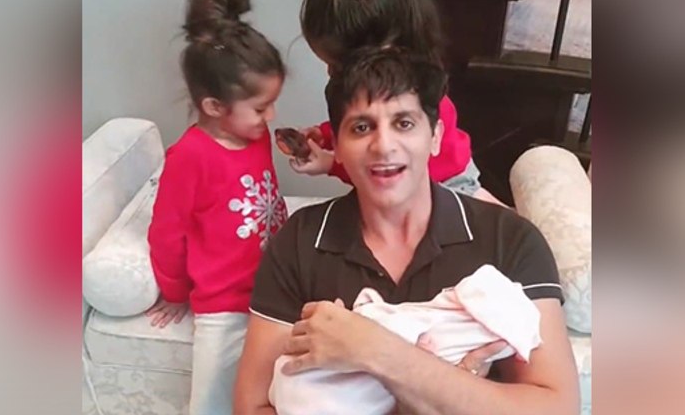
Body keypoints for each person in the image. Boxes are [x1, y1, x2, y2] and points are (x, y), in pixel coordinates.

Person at [234, 48, 579, 415]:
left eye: (403, 123)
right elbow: (252, 406)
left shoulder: (509, 240)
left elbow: (557, 408)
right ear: (338, 148)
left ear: (435, 136)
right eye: (362, 127)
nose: (384, 146)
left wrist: (376, 351)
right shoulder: (300, 240)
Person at [145, 0, 289, 415]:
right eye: (260, 108)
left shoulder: (256, 137)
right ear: (213, 107)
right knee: (211, 402)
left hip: (279, 281)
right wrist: (174, 291)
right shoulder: (189, 157)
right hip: (225, 304)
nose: (271, 116)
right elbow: (166, 232)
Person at [288, 0, 505, 206]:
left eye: (339, 66)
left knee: (491, 219)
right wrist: (327, 135)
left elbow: (384, 167)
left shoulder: (418, 96)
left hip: (448, 182)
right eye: (328, 64)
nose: (331, 73)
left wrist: (330, 163)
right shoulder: (377, 86)